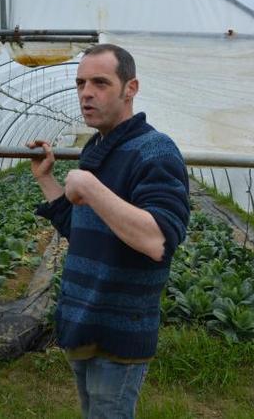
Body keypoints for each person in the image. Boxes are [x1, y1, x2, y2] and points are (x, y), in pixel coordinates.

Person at [28, 44, 190, 419]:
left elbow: (157, 241)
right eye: (80, 83)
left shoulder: (155, 151)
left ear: (130, 88)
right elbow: (83, 230)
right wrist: (48, 181)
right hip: (82, 321)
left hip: (118, 332)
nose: (86, 92)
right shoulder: (97, 148)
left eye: (100, 82)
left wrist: (88, 186)